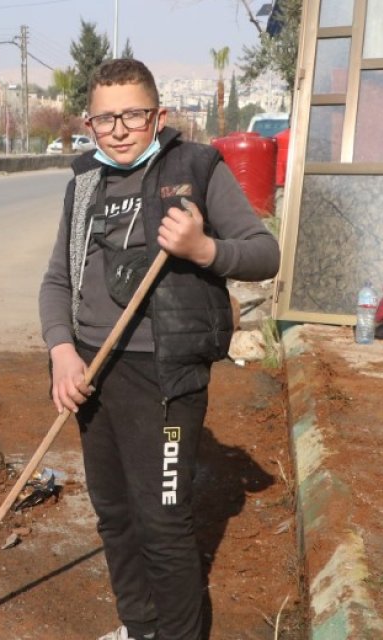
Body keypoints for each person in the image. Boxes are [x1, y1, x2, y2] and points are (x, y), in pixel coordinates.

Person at [38, 58, 279, 639]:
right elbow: (56, 283)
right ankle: (139, 627)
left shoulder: (196, 169)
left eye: (133, 115)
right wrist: (62, 353)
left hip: (166, 378)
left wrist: (203, 249)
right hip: (94, 373)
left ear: (159, 115)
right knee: (115, 516)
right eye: (105, 118)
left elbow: (263, 253)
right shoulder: (84, 185)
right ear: (88, 124)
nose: (119, 129)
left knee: (162, 523)